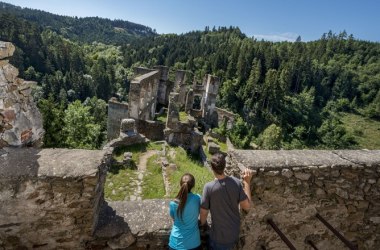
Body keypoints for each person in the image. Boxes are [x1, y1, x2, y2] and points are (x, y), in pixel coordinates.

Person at [200, 153, 253, 250]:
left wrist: (203, 225)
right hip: (233, 234)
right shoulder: (236, 182)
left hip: (218, 237)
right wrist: (247, 182)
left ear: (212, 168)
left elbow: (203, 213)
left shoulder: (209, 187)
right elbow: (247, 206)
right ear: (224, 166)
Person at [169, 173, 201, 250]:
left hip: (175, 243)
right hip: (194, 243)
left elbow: (173, 218)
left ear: (180, 184)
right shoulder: (198, 199)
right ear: (193, 185)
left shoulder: (173, 203)